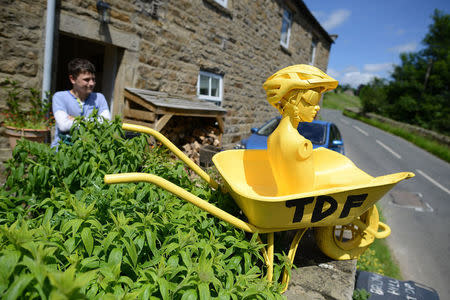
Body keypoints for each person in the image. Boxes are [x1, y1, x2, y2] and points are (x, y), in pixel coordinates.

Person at [51, 58, 111, 148]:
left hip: (89, 152)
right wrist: (94, 121)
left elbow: (107, 123)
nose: (91, 83)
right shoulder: (60, 97)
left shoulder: (99, 98)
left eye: (93, 79)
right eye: (86, 80)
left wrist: (75, 120)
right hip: (62, 151)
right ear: (72, 79)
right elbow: (63, 125)